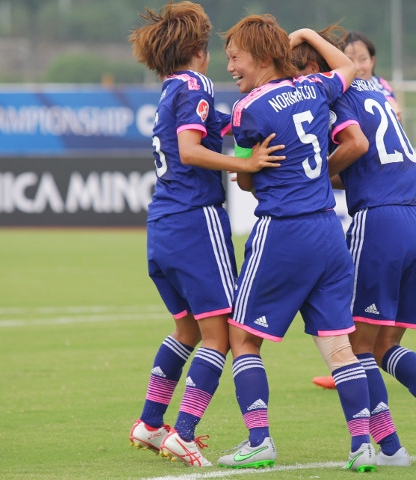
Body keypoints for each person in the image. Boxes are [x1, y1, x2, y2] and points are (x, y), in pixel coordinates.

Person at [292, 26, 416, 467]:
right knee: (383, 346)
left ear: (316, 68)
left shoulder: (335, 97)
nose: (295, 84)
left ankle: (395, 445)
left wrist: (313, 174)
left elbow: (354, 145)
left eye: (297, 72)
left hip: (380, 221)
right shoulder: (374, 89)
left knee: (354, 346)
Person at [127, 2, 284, 467]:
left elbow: (219, 127)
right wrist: (246, 164)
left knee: (187, 329)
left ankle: (151, 422)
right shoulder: (196, 84)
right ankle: (185, 432)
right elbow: (192, 151)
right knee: (221, 334)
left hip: (163, 225)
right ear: (198, 48)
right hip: (196, 220)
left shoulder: (170, 90)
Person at [215, 16, 375, 472]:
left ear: (262, 57)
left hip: (283, 232)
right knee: (338, 345)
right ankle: (362, 446)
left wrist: (247, 167)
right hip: (328, 231)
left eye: (235, 57)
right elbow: (349, 69)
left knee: (242, 338)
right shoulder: (315, 88)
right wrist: (307, 35)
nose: (231, 67)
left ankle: (258, 439)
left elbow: (246, 181)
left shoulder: (249, 109)